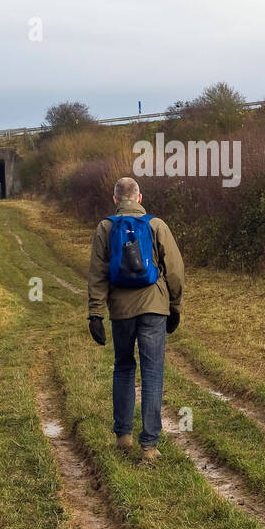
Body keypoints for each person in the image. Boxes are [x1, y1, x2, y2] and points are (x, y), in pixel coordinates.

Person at [87, 177, 184, 463]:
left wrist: (95, 313)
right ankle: (150, 447)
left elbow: (97, 275)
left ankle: (123, 437)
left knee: (124, 367)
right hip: (155, 306)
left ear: (116, 199)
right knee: (152, 373)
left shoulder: (105, 228)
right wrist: (175, 305)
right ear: (139, 198)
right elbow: (175, 270)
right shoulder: (156, 225)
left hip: (121, 311)